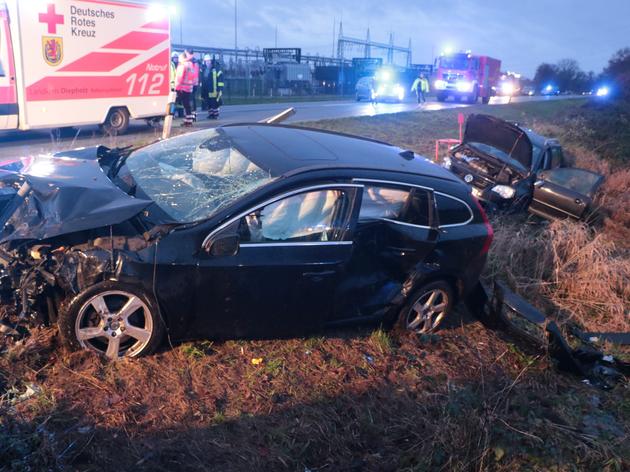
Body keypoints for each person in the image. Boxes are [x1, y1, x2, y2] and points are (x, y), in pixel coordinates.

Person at [175, 51, 196, 127]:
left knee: (173, 103)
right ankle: (188, 121)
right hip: (189, 88)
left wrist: (176, 88)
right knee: (187, 105)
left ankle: (167, 119)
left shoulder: (182, 65)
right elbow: (193, 77)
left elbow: (179, 78)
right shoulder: (191, 65)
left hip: (182, 88)